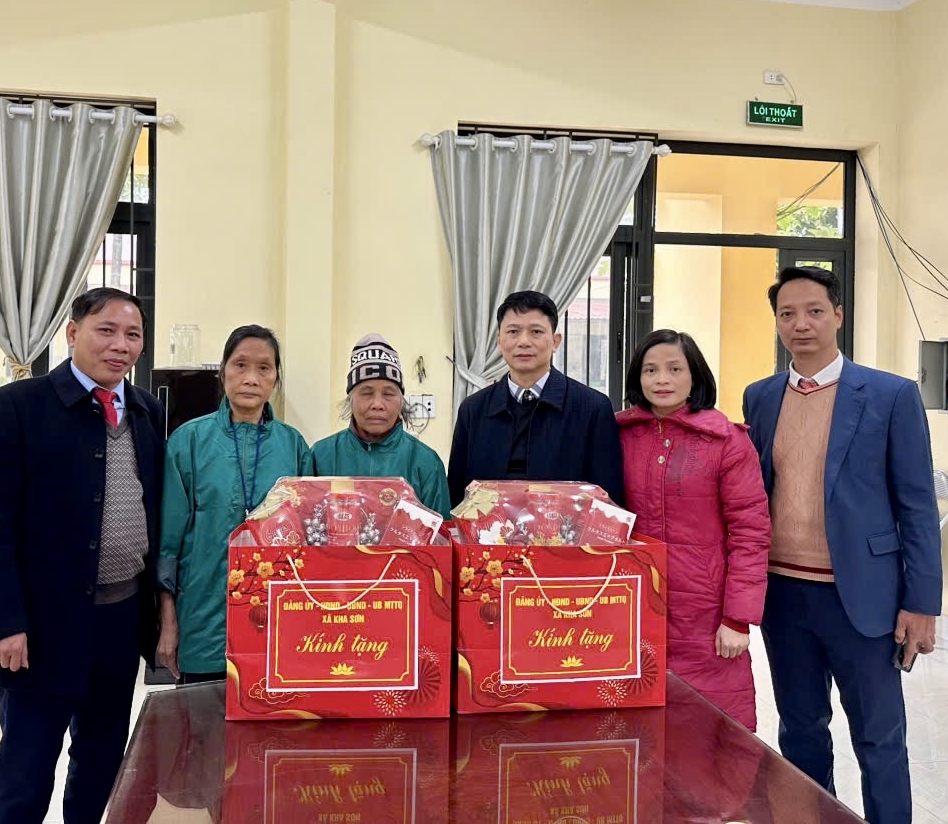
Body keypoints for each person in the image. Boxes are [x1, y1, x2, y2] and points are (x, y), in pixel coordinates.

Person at [743, 266, 942, 824]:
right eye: (787, 314)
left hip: (862, 597)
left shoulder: (891, 394)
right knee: (800, 732)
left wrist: (921, 603)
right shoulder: (761, 397)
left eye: (813, 311)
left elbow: (917, 506)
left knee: (879, 738)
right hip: (784, 597)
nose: (800, 324)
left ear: (837, 315)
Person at [0, 287, 165, 824]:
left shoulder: (146, 411)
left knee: (101, 759)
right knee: (26, 767)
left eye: (133, 335)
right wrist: (3, 623)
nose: (121, 345)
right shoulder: (18, 407)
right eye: (107, 330)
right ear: (73, 333)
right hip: (40, 627)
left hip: (120, 620)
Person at [616, 329, 770, 730]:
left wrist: (738, 618)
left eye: (674, 369)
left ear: (695, 375)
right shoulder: (618, 435)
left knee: (714, 735)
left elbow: (750, 533)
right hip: (630, 608)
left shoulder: (727, 441)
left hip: (706, 615)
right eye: (650, 370)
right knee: (636, 735)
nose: (661, 380)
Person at [157, 325, 311, 682]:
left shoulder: (294, 447)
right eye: (240, 365)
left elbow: (308, 543)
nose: (251, 378)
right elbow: (168, 545)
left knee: (273, 715)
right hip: (202, 617)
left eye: (264, 368)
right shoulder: (188, 442)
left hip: (276, 619)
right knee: (202, 713)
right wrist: (168, 623)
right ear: (222, 371)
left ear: (275, 378)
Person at [447, 290, 623, 507]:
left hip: (566, 529)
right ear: (499, 341)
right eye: (513, 331)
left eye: (536, 332)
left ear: (555, 341)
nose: (524, 341)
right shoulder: (473, 409)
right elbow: (457, 495)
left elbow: (608, 499)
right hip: (487, 529)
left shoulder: (593, 408)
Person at [310, 333, 451, 517]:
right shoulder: (321, 456)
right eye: (367, 393)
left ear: (401, 401)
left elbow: (441, 530)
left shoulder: (426, 462)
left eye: (388, 394)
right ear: (350, 400)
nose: (377, 404)